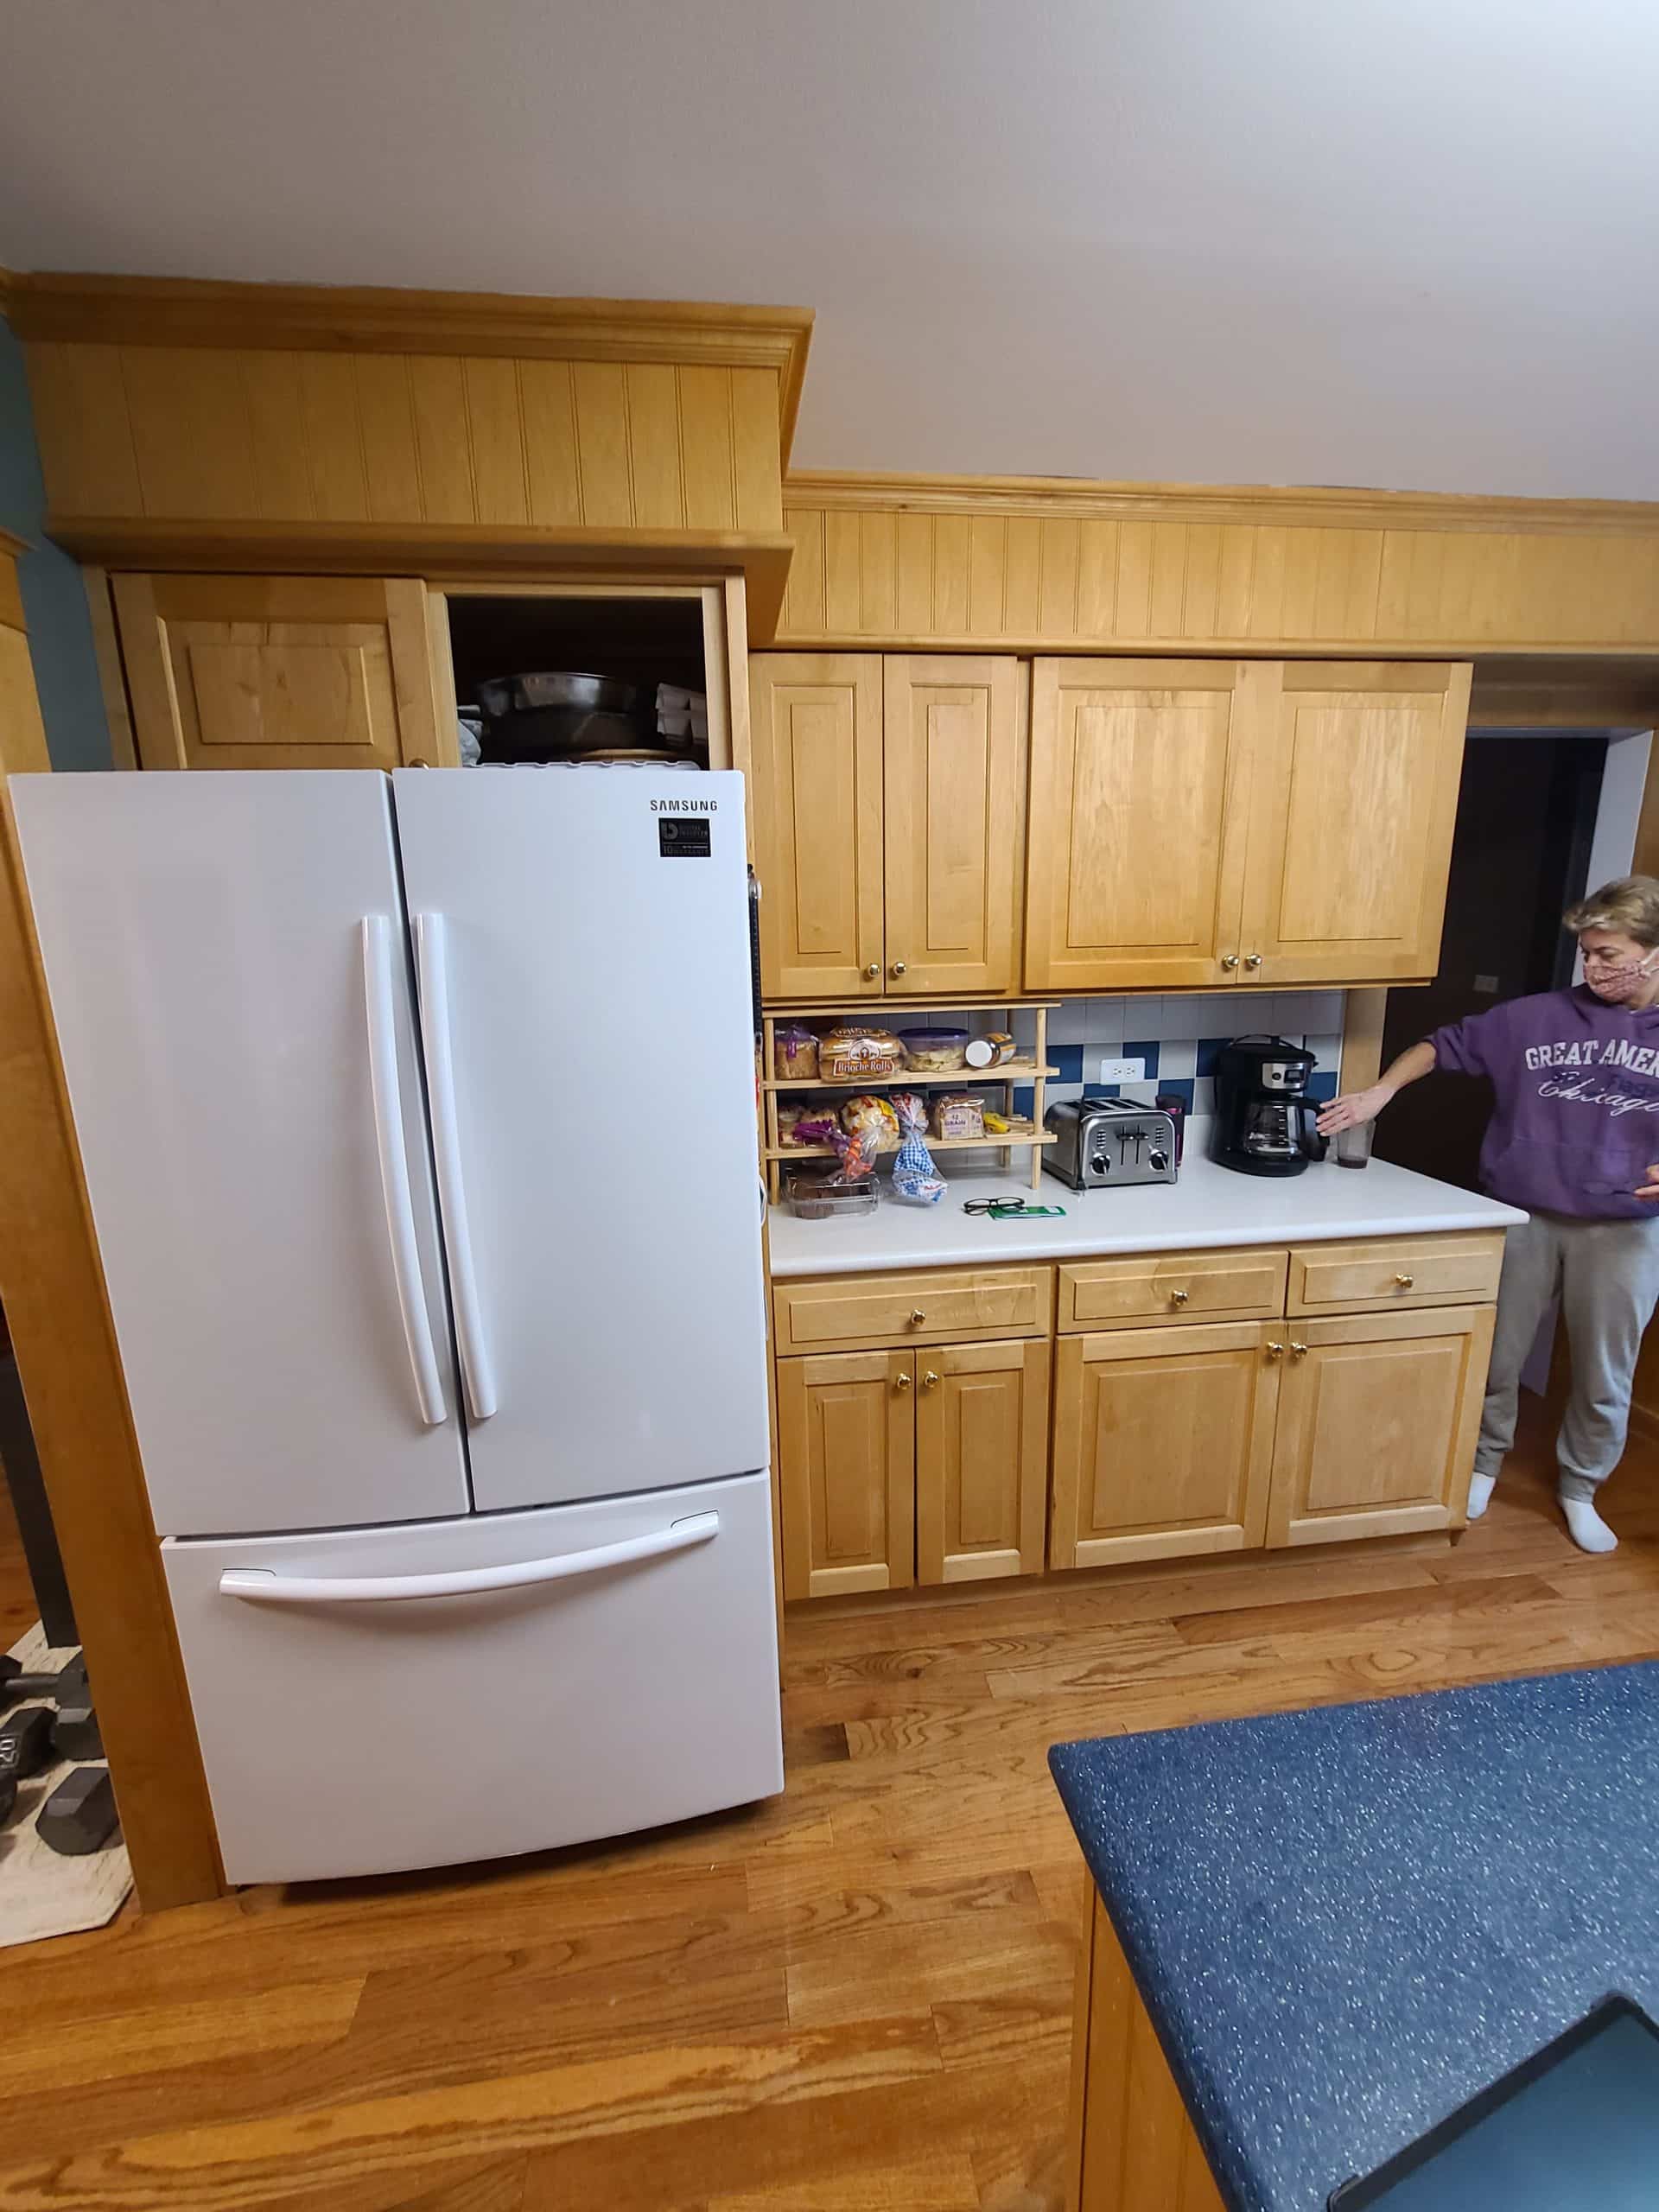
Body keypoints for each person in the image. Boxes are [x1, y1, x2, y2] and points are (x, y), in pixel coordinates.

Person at [1318, 875, 1659, 1555]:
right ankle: (1479, 1466)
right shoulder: (1534, 1018)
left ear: (1654, 954)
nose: (1594, 968)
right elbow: (1440, 1045)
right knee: (1497, 1359)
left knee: (1603, 1376)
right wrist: (1382, 1092)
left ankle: (1580, 1489)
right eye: (1587, 954)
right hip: (1524, 1214)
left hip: (1624, 1229)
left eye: (1611, 956)